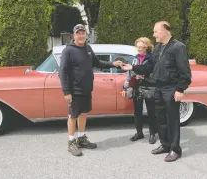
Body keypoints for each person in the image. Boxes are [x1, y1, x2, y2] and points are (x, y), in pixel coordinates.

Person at [59, 24, 123, 157]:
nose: (81, 36)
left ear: (86, 34)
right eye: (78, 33)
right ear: (74, 35)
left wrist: (113, 64)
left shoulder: (88, 48)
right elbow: (63, 72)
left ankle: (81, 138)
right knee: (72, 116)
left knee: (84, 113)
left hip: (87, 89)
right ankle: (71, 142)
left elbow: (97, 63)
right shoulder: (68, 51)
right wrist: (66, 91)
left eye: (83, 33)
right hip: (74, 91)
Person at [150, 21, 192, 162]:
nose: (154, 34)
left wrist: (180, 89)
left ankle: (175, 149)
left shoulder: (178, 47)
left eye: (156, 31)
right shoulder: (157, 48)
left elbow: (185, 71)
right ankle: (165, 145)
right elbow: (150, 65)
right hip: (158, 87)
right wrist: (132, 68)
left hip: (171, 88)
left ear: (166, 31)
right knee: (160, 117)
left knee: (172, 119)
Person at [120, 37, 157, 144]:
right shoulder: (134, 58)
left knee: (151, 112)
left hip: (149, 86)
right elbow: (129, 74)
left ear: (147, 47)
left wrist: (139, 73)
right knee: (137, 112)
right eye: (138, 47)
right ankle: (139, 132)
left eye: (142, 47)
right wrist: (125, 87)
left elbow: (147, 70)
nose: (139, 49)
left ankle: (153, 133)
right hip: (137, 87)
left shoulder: (151, 58)